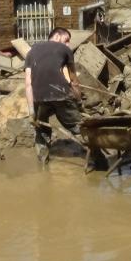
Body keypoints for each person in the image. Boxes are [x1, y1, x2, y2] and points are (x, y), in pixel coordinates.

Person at [25, 27, 82, 164]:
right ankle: (100, 160)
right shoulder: (66, 50)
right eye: (66, 40)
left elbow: (28, 84)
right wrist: (79, 101)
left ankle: (43, 163)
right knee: (79, 128)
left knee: (41, 131)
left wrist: (31, 111)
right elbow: (74, 81)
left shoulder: (31, 52)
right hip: (61, 95)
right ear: (57, 36)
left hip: (40, 98)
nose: (68, 44)